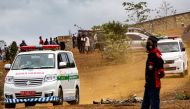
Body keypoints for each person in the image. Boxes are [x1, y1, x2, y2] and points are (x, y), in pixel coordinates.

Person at [141, 36, 165, 109]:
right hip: (148, 84)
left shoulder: (157, 56)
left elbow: (161, 73)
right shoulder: (150, 55)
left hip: (154, 85)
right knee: (145, 105)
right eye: (147, 43)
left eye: (149, 43)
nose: (148, 45)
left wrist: (155, 78)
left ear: (154, 44)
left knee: (154, 104)